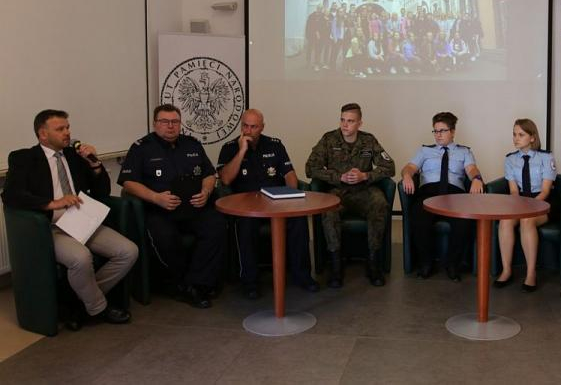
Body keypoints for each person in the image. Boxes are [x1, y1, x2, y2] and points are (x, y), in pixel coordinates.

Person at [2, 109, 138, 330]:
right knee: (81, 258)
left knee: (128, 251)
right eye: (60, 129)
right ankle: (98, 308)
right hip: (52, 226)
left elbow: (102, 190)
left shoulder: (75, 157)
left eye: (68, 128)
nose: (67, 133)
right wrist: (51, 203)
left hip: (82, 221)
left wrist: (94, 163)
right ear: (43, 134)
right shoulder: (23, 158)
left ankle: (77, 302)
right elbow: (11, 195)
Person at [118, 104, 226, 309]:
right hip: (160, 209)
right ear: (155, 124)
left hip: (194, 207)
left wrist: (206, 192)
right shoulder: (142, 147)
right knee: (166, 237)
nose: (170, 126)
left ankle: (195, 283)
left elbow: (209, 174)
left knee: (217, 225)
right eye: (165, 122)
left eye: (175, 122)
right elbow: (128, 182)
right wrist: (155, 197)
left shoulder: (192, 144)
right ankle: (186, 284)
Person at [217, 109, 319, 299]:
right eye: (245, 126)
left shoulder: (275, 145)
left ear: (262, 127)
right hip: (246, 206)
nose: (248, 130)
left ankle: (302, 275)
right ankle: (250, 281)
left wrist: (293, 198)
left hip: (275, 203)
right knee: (246, 226)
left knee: (298, 221)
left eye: (253, 126)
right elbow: (225, 180)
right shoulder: (229, 148)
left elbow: (289, 175)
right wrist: (242, 151)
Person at [305, 103, 395, 288]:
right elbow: (310, 168)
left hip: (364, 190)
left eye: (350, 121)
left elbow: (390, 167)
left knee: (379, 203)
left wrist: (366, 175)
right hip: (338, 191)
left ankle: (373, 264)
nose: (345, 125)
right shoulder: (329, 139)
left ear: (359, 123)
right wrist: (339, 177)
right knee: (329, 211)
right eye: (342, 120)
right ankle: (336, 267)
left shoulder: (368, 141)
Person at [401, 112, 484, 281]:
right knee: (418, 215)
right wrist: (407, 176)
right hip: (429, 193)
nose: (438, 135)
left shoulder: (464, 152)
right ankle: (426, 262)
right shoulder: (425, 151)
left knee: (464, 221)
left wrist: (476, 178)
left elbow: (472, 170)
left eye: (442, 131)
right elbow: (409, 167)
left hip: (455, 195)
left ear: (452, 132)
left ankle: (453, 264)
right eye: (435, 131)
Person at [494, 119, 556, 292]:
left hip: (541, 203)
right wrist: (519, 206)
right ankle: (506, 270)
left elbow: (545, 191)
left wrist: (530, 207)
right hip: (519, 202)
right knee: (505, 221)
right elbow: (514, 191)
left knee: (527, 220)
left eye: (521, 135)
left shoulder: (546, 157)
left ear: (532, 137)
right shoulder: (510, 160)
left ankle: (530, 274)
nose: (516, 138)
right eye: (514, 134)